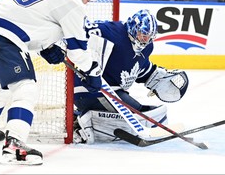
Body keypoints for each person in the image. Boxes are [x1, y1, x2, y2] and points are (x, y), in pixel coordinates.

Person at [0, 0, 100, 165]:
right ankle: (14, 147)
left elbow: (31, 18)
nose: (89, 0)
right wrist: (92, 70)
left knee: (0, 88)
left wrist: (45, 47)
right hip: (5, 37)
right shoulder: (73, 3)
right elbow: (78, 52)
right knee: (27, 87)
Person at [73, 9, 189, 144]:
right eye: (143, 34)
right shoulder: (112, 31)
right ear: (134, 28)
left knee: (143, 112)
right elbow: (81, 30)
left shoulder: (147, 47)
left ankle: (79, 116)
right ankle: (83, 123)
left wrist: (155, 76)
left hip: (113, 92)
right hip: (89, 88)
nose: (145, 39)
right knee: (135, 114)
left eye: (150, 36)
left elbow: (139, 69)